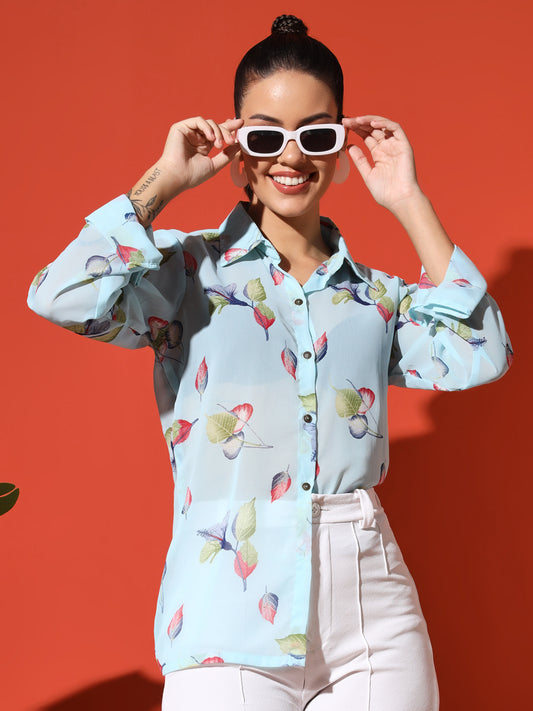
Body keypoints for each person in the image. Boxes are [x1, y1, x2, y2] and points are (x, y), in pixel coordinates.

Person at [28, 14, 512, 711]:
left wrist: (408, 201)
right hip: (226, 605)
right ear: (238, 150)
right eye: (264, 136)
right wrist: (164, 180)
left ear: (340, 146)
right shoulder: (184, 274)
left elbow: (482, 351)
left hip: (371, 610)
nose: (291, 156)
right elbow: (60, 295)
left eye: (315, 135)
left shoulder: (374, 298)